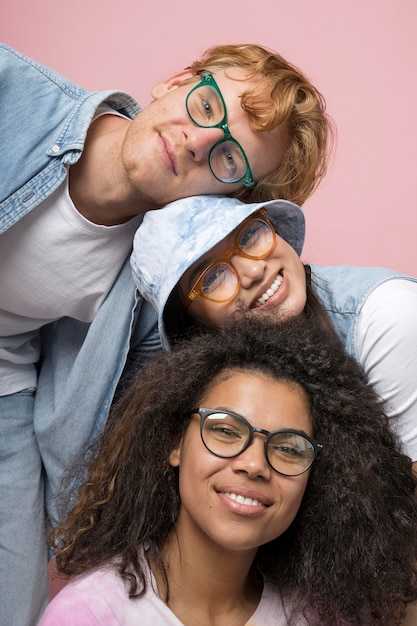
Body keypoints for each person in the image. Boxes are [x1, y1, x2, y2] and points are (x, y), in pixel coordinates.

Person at [0, 42, 332, 625]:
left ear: (230, 200)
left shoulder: (156, 277)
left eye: (228, 159)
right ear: (176, 81)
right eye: (207, 107)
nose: (197, 141)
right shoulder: (14, 94)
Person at [39, 317, 417, 625]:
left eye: (288, 448)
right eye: (224, 430)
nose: (253, 465)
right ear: (175, 444)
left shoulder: (322, 614)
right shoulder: (89, 615)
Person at [131, 194, 417, 481]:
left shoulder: (388, 314)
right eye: (211, 277)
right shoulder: (212, 383)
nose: (254, 271)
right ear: (195, 326)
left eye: (250, 235)